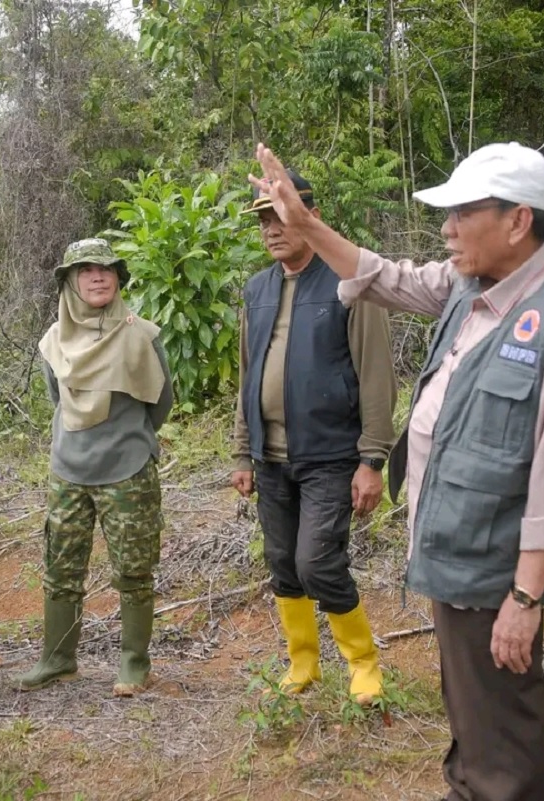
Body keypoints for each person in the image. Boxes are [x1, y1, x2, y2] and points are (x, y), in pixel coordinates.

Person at [251, 142, 544, 801]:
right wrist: (305, 227)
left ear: (517, 221)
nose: (445, 229)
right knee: (472, 708)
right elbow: (381, 276)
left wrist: (525, 599)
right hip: (455, 548)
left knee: (504, 730)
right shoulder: (469, 286)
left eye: (461, 213)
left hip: (497, 568)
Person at [229, 169, 398, 704]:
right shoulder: (257, 289)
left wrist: (372, 458)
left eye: (280, 215)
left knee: (317, 562)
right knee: (282, 562)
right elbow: (247, 375)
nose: (271, 229)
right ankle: (303, 664)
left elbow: (375, 375)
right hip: (270, 458)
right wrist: (242, 451)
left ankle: (363, 662)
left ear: (311, 217)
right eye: (263, 220)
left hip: (331, 455)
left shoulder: (349, 283)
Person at [15, 238, 174, 697]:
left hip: (128, 471)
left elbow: (161, 403)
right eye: (85, 270)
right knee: (60, 567)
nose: (98, 276)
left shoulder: (142, 335)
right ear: (69, 282)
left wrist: (127, 439)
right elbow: (56, 399)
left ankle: (133, 664)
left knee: (134, 569)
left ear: (118, 278)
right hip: (69, 470)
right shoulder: (53, 343)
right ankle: (58, 659)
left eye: (106, 269)